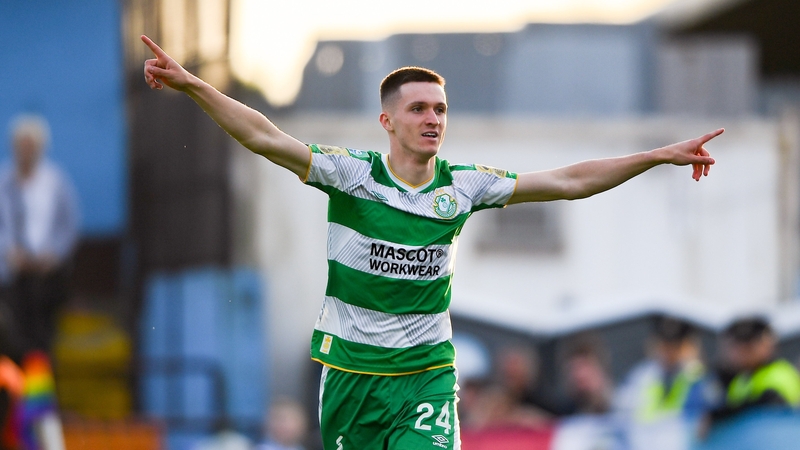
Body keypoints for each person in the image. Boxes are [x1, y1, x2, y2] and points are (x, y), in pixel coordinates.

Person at [141, 34, 721, 449]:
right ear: (387, 122)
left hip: (426, 373)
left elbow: (568, 182)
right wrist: (193, 85)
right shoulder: (352, 174)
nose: (432, 118)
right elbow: (265, 137)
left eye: (440, 109)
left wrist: (656, 155)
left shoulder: (464, 186)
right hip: (351, 377)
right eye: (417, 108)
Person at [0, 114, 80, 359]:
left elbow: (69, 225)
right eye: (22, 145)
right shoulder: (3, 182)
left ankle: (40, 396)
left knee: (42, 344)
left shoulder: (55, 181)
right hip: (10, 277)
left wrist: (53, 255)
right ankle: (13, 395)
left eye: (31, 145)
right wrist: (9, 252)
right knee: (12, 340)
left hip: (46, 279)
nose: (26, 151)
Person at [614, 316, 708, 450]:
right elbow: (622, 418)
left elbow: (700, 422)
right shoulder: (639, 377)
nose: (668, 352)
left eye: (675, 346)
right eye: (664, 344)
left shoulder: (696, 377)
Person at [708, 316, 800, 422]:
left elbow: (766, 407)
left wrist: (718, 417)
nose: (733, 355)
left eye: (744, 348)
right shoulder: (741, 380)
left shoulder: (780, 374)